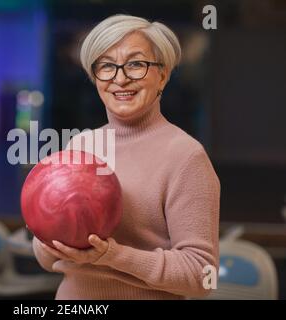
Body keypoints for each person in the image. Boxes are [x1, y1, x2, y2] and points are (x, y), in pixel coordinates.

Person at [32, 14, 220, 299]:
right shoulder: (80, 145)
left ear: (163, 74)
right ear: (95, 77)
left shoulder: (185, 156)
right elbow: (47, 260)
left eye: (136, 64)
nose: (120, 78)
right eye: (107, 66)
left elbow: (201, 275)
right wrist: (46, 236)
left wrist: (112, 255)